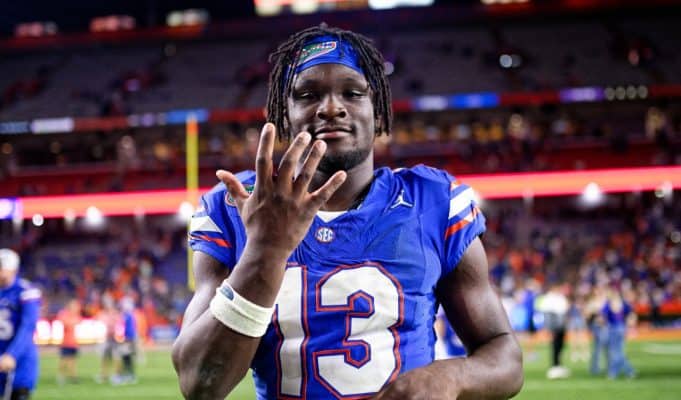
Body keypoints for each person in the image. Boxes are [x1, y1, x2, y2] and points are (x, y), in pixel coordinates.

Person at [172, 24, 523, 399]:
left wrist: (452, 378)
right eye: (308, 95)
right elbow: (200, 384)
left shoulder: (435, 201)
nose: (331, 108)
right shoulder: (235, 205)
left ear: (378, 112)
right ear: (284, 114)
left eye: (353, 92)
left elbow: (505, 357)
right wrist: (265, 250)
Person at [0, 249, 41, 400]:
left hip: (19, 361)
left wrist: (12, 354)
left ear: (13, 269)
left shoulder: (25, 291)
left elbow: (28, 326)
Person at [536, 282, 570, 379]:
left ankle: (558, 365)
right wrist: (549, 328)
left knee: (560, 346)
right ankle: (554, 366)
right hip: (555, 326)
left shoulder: (560, 297)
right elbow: (547, 313)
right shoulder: (549, 298)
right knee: (555, 346)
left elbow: (564, 310)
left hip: (561, 325)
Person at [603, 286, 636, 379]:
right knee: (619, 352)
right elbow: (632, 315)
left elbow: (603, 318)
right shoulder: (623, 303)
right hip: (621, 328)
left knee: (615, 352)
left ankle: (623, 371)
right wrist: (630, 326)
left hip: (613, 328)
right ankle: (616, 372)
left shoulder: (608, 304)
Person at [56, 298, 82, 385]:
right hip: (66, 342)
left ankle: (73, 377)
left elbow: (77, 323)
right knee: (64, 361)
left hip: (74, 342)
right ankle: (61, 376)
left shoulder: (76, 316)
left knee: (72, 361)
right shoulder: (65, 315)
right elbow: (67, 324)